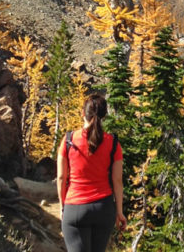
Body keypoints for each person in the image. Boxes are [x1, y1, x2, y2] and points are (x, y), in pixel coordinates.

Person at [57, 93, 127, 252]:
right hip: (104, 208)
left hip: (75, 207)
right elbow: (117, 181)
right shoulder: (113, 143)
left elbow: (61, 177)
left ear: (83, 113)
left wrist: (63, 207)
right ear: (104, 115)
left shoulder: (68, 140)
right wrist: (119, 212)